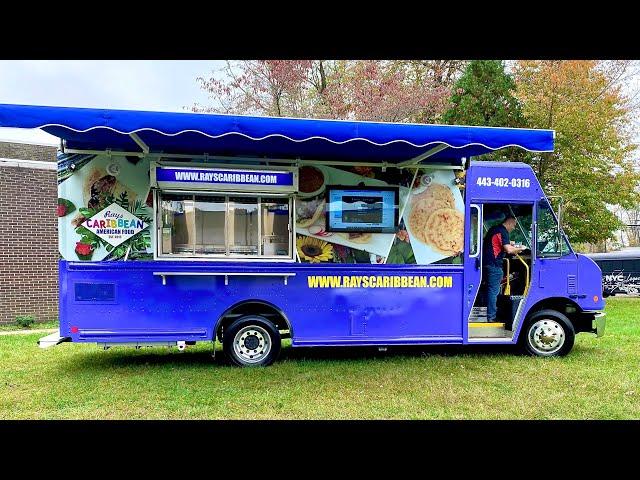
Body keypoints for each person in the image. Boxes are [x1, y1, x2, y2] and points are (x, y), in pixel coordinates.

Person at [482, 215, 526, 322]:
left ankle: (489, 314)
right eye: (514, 225)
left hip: (487, 264)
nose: (514, 228)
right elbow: (509, 250)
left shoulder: (495, 229)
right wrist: (521, 248)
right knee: (494, 291)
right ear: (510, 223)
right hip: (494, 265)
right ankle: (491, 317)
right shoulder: (503, 231)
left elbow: (505, 242)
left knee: (489, 289)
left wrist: (514, 244)